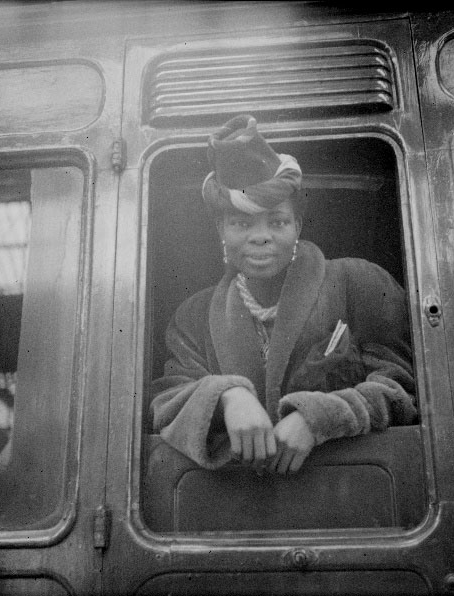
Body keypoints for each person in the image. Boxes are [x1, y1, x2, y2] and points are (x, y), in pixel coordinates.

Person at [149, 115, 417, 476]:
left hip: (353, 491)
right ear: (221, 230)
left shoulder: (360, 282)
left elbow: (402, 386)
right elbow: (164, 399)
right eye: (242, 224)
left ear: (298, 226)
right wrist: (227, 395)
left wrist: (318, 419)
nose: (260, 237)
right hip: (235, 511)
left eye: (277, 222)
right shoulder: (192, 318)